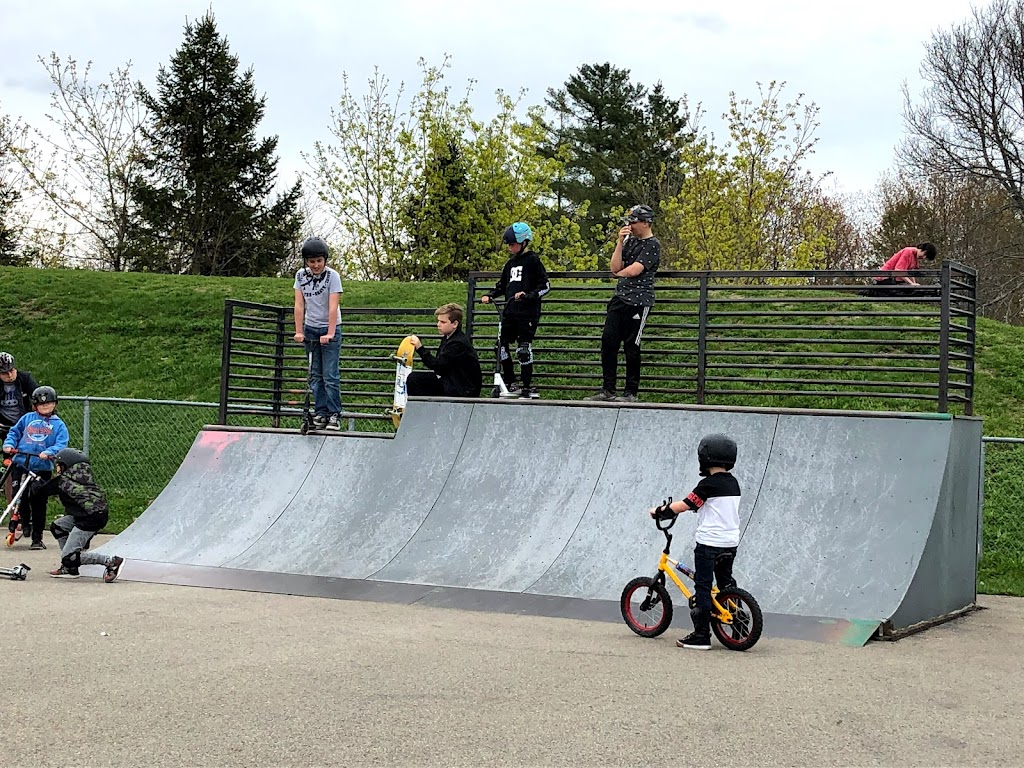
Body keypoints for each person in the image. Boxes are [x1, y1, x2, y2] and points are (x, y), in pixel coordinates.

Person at [648, 433, 740, 650]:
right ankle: (740, 621)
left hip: (709, 544)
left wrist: (660, 511)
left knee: (703, 587)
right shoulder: (733, 483)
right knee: (725, 582)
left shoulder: (707, 484)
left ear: (705, 457)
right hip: (730, 542)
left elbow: (686, 504)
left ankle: (701, 636)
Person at [588, 204, 661, 403]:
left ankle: (631, 392)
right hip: (620, 297)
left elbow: (635, 270)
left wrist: (619, 274)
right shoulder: (630, 242)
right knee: (608, 342)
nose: (630, 225)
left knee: (632, 345)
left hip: (638, 301)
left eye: (634, 221)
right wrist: (620, 242)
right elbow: (615, 266)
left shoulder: (652, 245)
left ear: (646, 223)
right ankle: (608, 388)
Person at [31, 447, 124, 581]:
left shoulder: (64, 481)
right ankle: (69, 567)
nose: (56, 469)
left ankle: (111, 561)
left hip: (90, 518)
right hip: (88, 514)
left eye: (58, 465)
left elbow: (40, 492)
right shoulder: (82, 478)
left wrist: (34, 482)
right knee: (59, 526)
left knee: (69, 556)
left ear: (66, 465)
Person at [481, 222, 551, 398]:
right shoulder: (510, 264)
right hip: (509, 312)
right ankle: (511, 382)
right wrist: (490, 295)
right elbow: (502, 286)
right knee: (500, 347)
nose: (510, 248)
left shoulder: (533, 261)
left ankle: (526, 385)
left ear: (524, 242)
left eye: (512, 244)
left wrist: (528, 295)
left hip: (527, 313)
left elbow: (545, 286)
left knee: (523, 349)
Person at [2, 385, 69, 549]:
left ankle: (37, 538)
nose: (45, 406)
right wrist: (9, 445)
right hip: (20, 462)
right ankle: (25, 521)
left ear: (55, 404)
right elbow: (14, 433)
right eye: (41, 404)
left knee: (38, 501)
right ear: (35, 405)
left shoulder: (58, 425)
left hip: (41, 467)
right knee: (20, 496)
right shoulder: (27, 419)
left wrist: (49, 452)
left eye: (49, 404)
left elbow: (61, 444)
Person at [293, 236, 344, 430]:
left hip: (330, 328)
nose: (315, 265)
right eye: (312, 261)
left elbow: (333, 307)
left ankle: (334, 414)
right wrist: (299, 331)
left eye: (319, 261)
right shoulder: (300, 276)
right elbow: (299, 304)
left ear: (325, 260)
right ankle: (320, 412)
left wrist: (330, 333)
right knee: (315, 375)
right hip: (311, 329)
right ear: (306, 261)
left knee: (330, 375)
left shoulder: (333, 276)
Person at [406, 303, 483, 398]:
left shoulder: (457, 343)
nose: (438, 325)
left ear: (455, 324)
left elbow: (438, 366)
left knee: (414, 379)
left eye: (443, 322)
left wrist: (420, 348)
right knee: (417, 379)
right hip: (455, 384)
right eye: (438, 321)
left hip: (462, 390)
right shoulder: (449, 338)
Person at [0, 352, 39, 503]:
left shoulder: (25, 378)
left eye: (12, 370)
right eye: (4, 373)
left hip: (23, 426)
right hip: (4, 426)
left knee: (20, 464)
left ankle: (23, 505)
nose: (10, 375)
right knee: (9, 468)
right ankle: (11, 507)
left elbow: (39, 397)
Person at [863, 242, 938, 296]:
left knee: (911, 292)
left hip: (894, 279)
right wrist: (911, 284)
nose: (923, 257)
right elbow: (898, 270)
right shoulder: (908, 251)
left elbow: (910, 272)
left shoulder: (915, 258)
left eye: (926, 257)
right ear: (921, 249)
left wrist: (915, 285)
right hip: (885, 278)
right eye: (924, 254)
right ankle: (872, 291)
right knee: (898, 293)